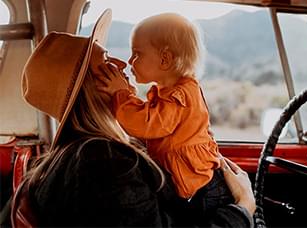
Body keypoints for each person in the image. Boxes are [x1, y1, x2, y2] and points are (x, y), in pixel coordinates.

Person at [11, 9, 256, 227]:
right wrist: (243, 209)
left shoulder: (90, 153)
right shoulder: (104, 163)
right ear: (90, 88)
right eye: (106, 62)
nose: (121, 63)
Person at [97, 12, 235, 221]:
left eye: (137, 54)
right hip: (194, 184)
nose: (130, 61)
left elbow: (146, 124)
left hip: (203, 189)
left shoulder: (180, 95)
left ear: (165, 59)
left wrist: (120, 94)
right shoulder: (170, 93)